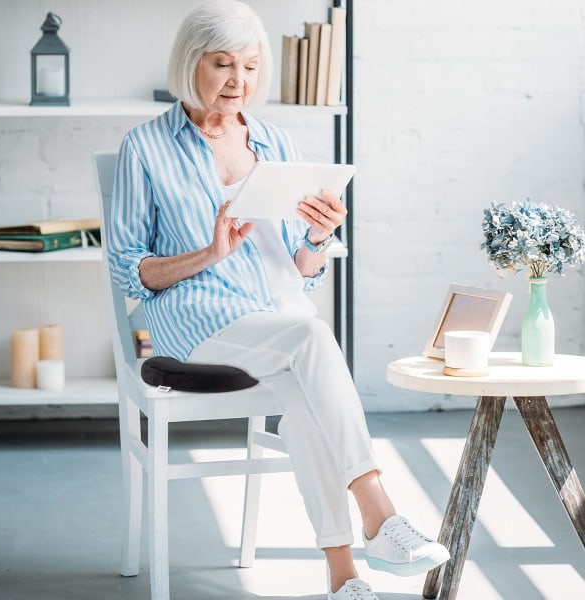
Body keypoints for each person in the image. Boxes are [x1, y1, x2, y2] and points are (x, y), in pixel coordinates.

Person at [107, 1, 450, 598]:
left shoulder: (276, 142)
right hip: (196, 319)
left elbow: (301, 271)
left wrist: (319, 235)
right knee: (313, 337)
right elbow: (129, 271)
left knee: (301, 392)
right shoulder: (146, 148)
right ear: (191, 64)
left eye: (250, 65)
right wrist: (208, 254)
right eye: (222, 65)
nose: (240, 81)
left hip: (276, 320)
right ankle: (380, 513)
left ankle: (344, 578)